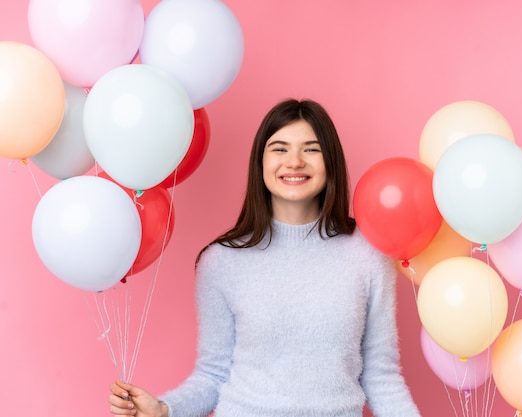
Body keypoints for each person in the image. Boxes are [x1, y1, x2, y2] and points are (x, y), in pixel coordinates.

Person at [108, 98, 422, 417]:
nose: (295, 162)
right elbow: (214, 375)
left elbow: (381, 377)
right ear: (261, 162)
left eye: (311, 149)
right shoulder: (221, 262)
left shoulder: (368, 255)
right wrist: (164, 409)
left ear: (331, 162)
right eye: (280, 149)